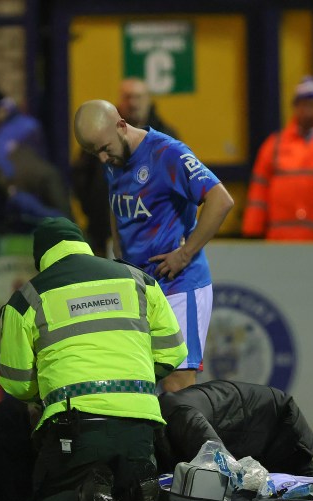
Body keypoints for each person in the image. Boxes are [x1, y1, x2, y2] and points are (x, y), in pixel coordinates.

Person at [0, 218, 187, 501]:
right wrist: (132, 384)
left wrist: (45, 390)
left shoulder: (27, 298)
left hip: (75, 425)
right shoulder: (138, 280)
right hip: (141, 423)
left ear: (40, 257)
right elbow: (175, 352)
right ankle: (139, 494)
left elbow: (16, 383)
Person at [72, 99, 234, 394]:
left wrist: (184, 255)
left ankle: (198, 441)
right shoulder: (114, 159)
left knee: (177, 387)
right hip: (140, 288)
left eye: (105, 148)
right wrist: (118, 252)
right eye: (94, 153)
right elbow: (116, 202)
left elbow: (221, 200)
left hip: (178, 285)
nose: (103, 159)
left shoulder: (167, 153)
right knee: (142, 384)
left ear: (121, 125)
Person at [241, 76, 313, 240]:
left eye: (312, 104)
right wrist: (252, 231)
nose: (307, 110)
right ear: (296, 107)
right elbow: (259, 189)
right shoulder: (274, 145)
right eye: (303, 104)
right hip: (280, 238)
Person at [72, 78, 180, 257]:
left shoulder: (166, 138)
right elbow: (81, 179)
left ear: (148, 100)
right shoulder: (99, 134)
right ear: (120, 101)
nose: (133, 103)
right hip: (104, 234)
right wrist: (95, 213)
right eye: (128, 97)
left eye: (138, 97)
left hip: (155, 236)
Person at [155, 380, 313, 476]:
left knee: (307, 496)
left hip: (280, 426)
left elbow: (219, 460)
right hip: (262, 424)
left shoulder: (179, 417)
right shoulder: (165, 418)